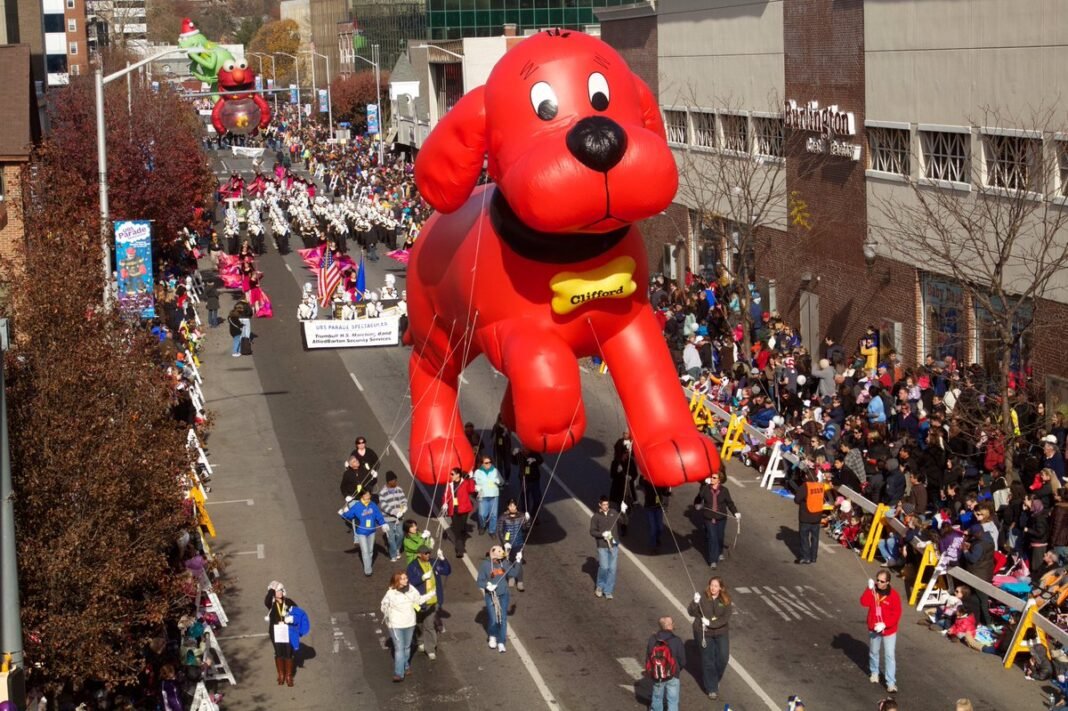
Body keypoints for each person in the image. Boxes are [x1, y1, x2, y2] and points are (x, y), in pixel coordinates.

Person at [380, 571, 434, 682]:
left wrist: (431, 594)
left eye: (406, 578)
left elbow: (419, 600)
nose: (406, 580)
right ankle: (399, 673)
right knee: (399, 649)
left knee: (406, 647)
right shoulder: (390, 594)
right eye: (403, 578)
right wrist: (387, 611)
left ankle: (406, 665)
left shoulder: (411, 589)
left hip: (409, 624)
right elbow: (383, 606)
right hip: (396, 625)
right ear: (397, 581)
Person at [688, 577, 732, 700]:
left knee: (723, 657)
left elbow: (726, 617)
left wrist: (711, 623)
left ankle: (714, 678)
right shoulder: (703, 596)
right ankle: (712, 688)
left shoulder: (726, 599)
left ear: (720, 587)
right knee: (708, 660)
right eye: (711, 585)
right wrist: (695, 602)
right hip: (704, 632)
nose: (713, 588)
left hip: (720, 631)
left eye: (716, 586)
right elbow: (691, 612)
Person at [405, 545, 452, 661]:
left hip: (433, 600)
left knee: (429, 625)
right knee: (419, 623)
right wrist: (421, 578)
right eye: (425, 553)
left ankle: (430, 649)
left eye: (429, 553)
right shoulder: (412, 566)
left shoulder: (433, 562)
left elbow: (446, 571)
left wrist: (443, 559)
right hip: (419, 601)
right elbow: (409, 583)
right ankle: (420, 641)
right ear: (419, 554)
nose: (428, 555)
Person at [860, 571, 902, 693]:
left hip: (889, 630)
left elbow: (896, 614)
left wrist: (885, 624)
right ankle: (874, 673)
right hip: (874, 628)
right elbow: (864, 602)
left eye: (882, 581)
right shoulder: (873, 590)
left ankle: (891, 683)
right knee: (874, 652)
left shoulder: (894, 596)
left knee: (889, 655)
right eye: (877, 580)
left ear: (888, 582)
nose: (878, 583)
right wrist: (868, 589)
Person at [264, 581, 310, 687]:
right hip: (275, 632)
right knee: (278, 652)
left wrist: (292, 618)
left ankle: (289, 676)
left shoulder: (288, 601)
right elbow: (266, 600)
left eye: (281, 590)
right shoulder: (271, 603)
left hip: (288, 630)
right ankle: (281, 675)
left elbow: (298, 613)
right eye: (277, 591)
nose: (280, 592)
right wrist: (272, 589)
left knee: (288, 652)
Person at [693, 473, 739, 569]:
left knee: (719, 537)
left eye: (714, 478)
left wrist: (735, 512)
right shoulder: (705, 489)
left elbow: (730, 503)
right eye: (711, 477)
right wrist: (698, 505)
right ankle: (713, 560)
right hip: (709, 518)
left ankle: (719, 552)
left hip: (721, 518)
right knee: (712, 538)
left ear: (719, 480)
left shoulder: (724, 490)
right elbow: (698, 499)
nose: (711, 479)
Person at [339, 489, 388, 576]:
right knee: (365, 552)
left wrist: (383, 524)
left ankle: (368, 564)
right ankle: (368, 570)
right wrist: (344, 512)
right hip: (361, 532)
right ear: (362, 496)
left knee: (370, 551)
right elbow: (349, 515)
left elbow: (378, 515)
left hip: (372, 531)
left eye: (369, 495)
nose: (369, 496)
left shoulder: (373, 505)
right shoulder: (357, 506)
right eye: (366, 495)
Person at [644, 616, 686, 711]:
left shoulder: (653, 639)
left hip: (658, 674)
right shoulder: (676, 640)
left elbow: (648, 656)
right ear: (669, 626)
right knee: (673, 700)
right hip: (673, 674)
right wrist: (677, 669)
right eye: (672, 623)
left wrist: (651, 670)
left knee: (657, 698)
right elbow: (682, 660)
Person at [476, 545, 511, 652]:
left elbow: (514, 572)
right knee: (494, 618)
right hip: (491, 596)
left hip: (504, 594)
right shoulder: (485, 565)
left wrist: (518, 562)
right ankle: (492, 635)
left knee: (503, 618)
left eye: (500, 559)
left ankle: (501, 642)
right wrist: (487, 586)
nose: (499, 560)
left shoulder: (504, 563)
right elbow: (479, 581)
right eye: (497, 559)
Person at [590, 495, 625, 599]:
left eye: (607, 504)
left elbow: (624, 521)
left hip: (614, 545)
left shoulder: (613, 512)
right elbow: (592, 531)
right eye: (604, 504)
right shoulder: (596, 517)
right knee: (604, 567)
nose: (606, 506)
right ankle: (600, 587)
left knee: (612, 569)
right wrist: (602, 534)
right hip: (602, 546)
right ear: (600, 505)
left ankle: (608, 590)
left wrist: (623, 511)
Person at [496, 498, 531, 591]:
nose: (512, 507)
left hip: (519, 544)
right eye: (510, 505)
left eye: (514, 505)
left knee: (518, 562)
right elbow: (500, 531)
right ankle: (511, 577)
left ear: (516, 506)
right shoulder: (503, 517)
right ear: (508, 506)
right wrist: (504, 543)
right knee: (509, 562)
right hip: (508, 544)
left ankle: (520, 582)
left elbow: (525, 529)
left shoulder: (521, 516)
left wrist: (528, 520)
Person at [442, 467, 477, 558]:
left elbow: (472, 490)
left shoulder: (465, 483)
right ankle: (460, 550)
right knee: (457, 530)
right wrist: (445, 503)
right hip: (453, 510)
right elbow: (446, 495)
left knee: (461, 527)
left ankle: (463, 530)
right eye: (450, 474)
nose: (451, 476)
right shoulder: (449, 484)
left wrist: (471, 479)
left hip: (464, 509)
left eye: (452, 474)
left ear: (458, 475)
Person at [794, 469, 826, 564]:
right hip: (817, 517)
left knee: (804, 538)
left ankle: (805, 557)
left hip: (806, 517)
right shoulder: (820, 486)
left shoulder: (805, 486)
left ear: (806, 476)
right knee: (815, 538)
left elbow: (797, 499)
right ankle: (813, 557)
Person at [377, 471, 409, 562]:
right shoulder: (382, 493)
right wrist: (394, 512)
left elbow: (403, 500)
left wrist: (404, 507)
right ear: (389, 481)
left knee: (401, 534)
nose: (396, 482)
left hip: (399, 518)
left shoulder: (399, 489)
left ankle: (397, 548)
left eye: (396, 480)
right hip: (388, 519)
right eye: (394, 480)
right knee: (391, 539)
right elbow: (383, 506)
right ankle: (393, 554)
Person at [474, 455, 504, 535]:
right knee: (481, 514)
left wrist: (499, 481)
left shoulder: (495, 471)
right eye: (486, 463)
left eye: (490, 462)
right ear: (482, 464)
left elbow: (502, 482)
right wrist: (476, 488)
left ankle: (492, 531)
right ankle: (482, 526)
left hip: (494, 496)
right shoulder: (477, 472)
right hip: (482, 496)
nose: (488, 464)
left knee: (493, 515)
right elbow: (473, 483)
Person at [516, 448, 545, 516]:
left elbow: (541, 460)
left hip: (534, 480)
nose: (525, 450)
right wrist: (513, 454)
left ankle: (534, 514)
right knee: (525, 500)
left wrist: (534, 459)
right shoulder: (519, 454)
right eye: (524, 448)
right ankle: (525, 516)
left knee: (537, 499)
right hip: (524, 480)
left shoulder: (534, 453)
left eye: (527, 449)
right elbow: (514, 462)